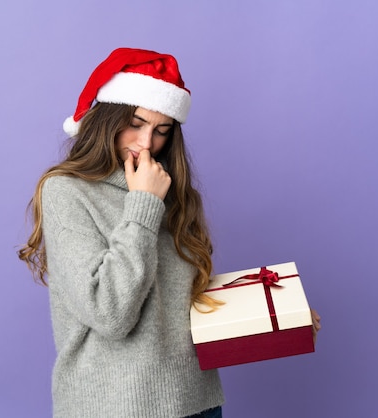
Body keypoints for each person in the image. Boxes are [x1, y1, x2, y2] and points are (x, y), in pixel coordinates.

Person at [18, 48, 320, 418]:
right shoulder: (67, 191)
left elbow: (180, 301)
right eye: (135, 123)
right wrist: (143, 203)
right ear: (105, 119)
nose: (147, 143)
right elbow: (110, 312)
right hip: (117, 408)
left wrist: (282, 314)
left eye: (161, 131)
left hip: (197, 402)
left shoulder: (170, 190)